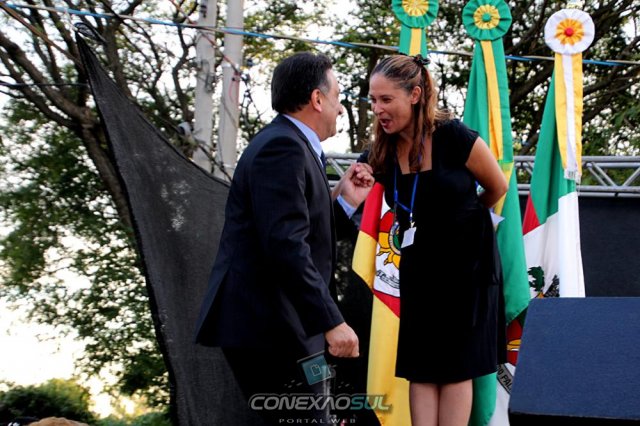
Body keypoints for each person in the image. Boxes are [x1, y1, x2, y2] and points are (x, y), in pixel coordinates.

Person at [194, 52, 374, 425]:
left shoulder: (295, 146)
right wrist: (331, 321)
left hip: (288, 326)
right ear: (317, 99)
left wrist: (344, 202)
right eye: (338, 96)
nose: (341, 108)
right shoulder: (282, 148)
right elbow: (285, 246)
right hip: (271, 327)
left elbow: (302, 237)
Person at [365, 54, 508, 426]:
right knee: (422, 364)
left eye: (386, 99)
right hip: (420, 265)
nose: (377, 109)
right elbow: (355, 192)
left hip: (467, 265)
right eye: (373, 100)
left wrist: (462, 220)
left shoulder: (454, 135)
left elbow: (497, 186)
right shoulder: (381, 150)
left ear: (414, 95)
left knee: (457, 365)